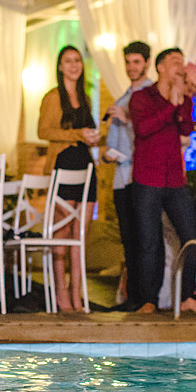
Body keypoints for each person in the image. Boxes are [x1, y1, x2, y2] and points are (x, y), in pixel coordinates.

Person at [129, 47, 196, 315]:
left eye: (181, 60)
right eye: (174, 61)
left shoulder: (184, 98)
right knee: (149, 242)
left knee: (190, 237)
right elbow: (142, 129)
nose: (180, 65)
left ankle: (187, 296)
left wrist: (187, 98)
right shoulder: (141, 97)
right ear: (161, 67)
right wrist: (171, 106)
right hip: (147, 178)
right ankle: (148, 301)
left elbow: (188, 128)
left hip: (175, 180)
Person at [37, 45, 100, 312]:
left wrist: (97, 138)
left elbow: (89, 132)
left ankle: (77, 296)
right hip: (63, 165)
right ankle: (61, 296)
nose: (74, 65)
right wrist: (77, 134)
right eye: (68, 61)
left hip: (86, 166)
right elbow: (43, 131)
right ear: (60, 66)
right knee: (60, 234)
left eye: (78, 60)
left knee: (80, 236)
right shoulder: (53, 97)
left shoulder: (85, 97)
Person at [103, 40, 153, 312]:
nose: (131, 67)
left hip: (140, 175)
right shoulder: (125, 94)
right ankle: (132, 296)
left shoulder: (149, 94)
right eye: (128, 62)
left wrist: (127, 119)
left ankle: (144, 298)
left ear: (146, 63)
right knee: (128, 238)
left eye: (136, 62)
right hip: (121, 175)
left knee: (141, 238)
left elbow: (150, 130)